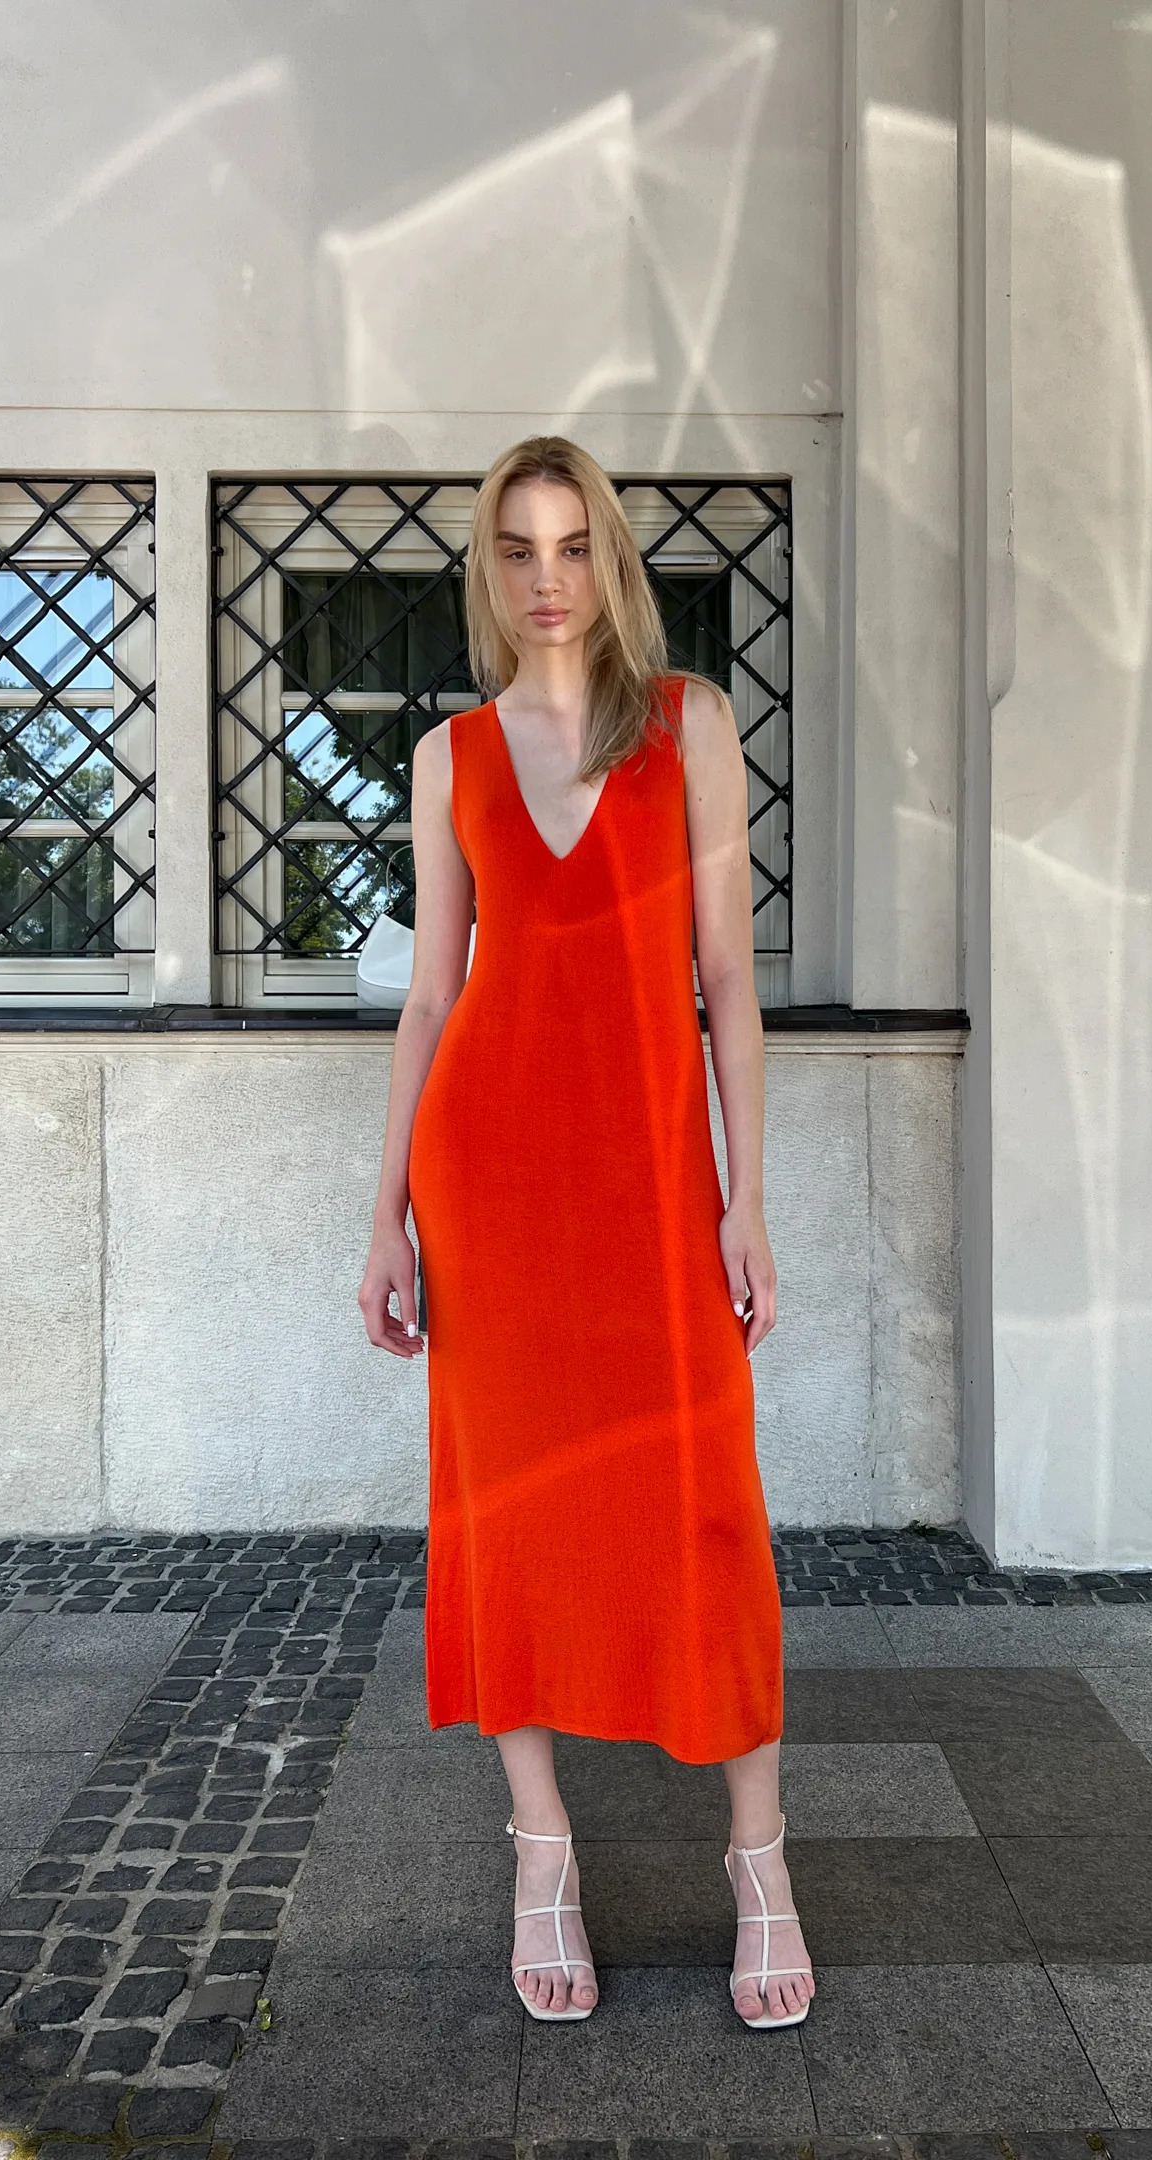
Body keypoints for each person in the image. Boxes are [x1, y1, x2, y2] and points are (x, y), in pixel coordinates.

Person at [358, 435, 813, 2031]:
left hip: (652, 1185)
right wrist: (385, 1217)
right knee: (510, 1511)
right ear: (487, 572)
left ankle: (759, 1855)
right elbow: (432, 997)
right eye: (516, 548)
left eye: (571, 545)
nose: (545, 578)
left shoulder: (691, 724)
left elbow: (729, 984)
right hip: (489, 1183)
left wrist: (746, 1197)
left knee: (707, 1508)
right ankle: (539, 1844)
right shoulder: (452, 757)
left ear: (608, 560)